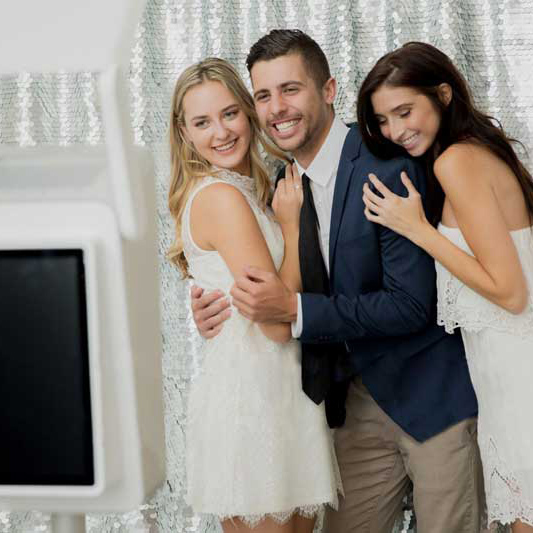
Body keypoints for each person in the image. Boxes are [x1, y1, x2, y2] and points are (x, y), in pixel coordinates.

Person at [191, 30, 483, 533]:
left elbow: (412, 304)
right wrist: (210, 303)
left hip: (428, 398)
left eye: (291, 89)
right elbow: (245, 263)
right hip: (345, 408)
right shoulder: (277, 183)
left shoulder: (386, 166)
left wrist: (294, 311)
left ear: (328, 90)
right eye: (263, 96)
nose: (277, 108)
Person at [357, 41, 533, 533]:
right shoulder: (472, 152)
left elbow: (510, 292)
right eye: (383, 120)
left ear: (444, 94)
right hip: (502, 369)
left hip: (518, 371)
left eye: (405, 110)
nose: (395, 130)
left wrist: (417, 229)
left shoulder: (455, 162)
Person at [167, 57, 340, 533]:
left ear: (247, 113)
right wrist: (289, 224)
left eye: (229, 114)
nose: (220, 132)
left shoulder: (249, 189)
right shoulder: (221, 197)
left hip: (281, 392)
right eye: (202, 122)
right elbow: (276, 322)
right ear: (184, 134)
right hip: (255, 401)